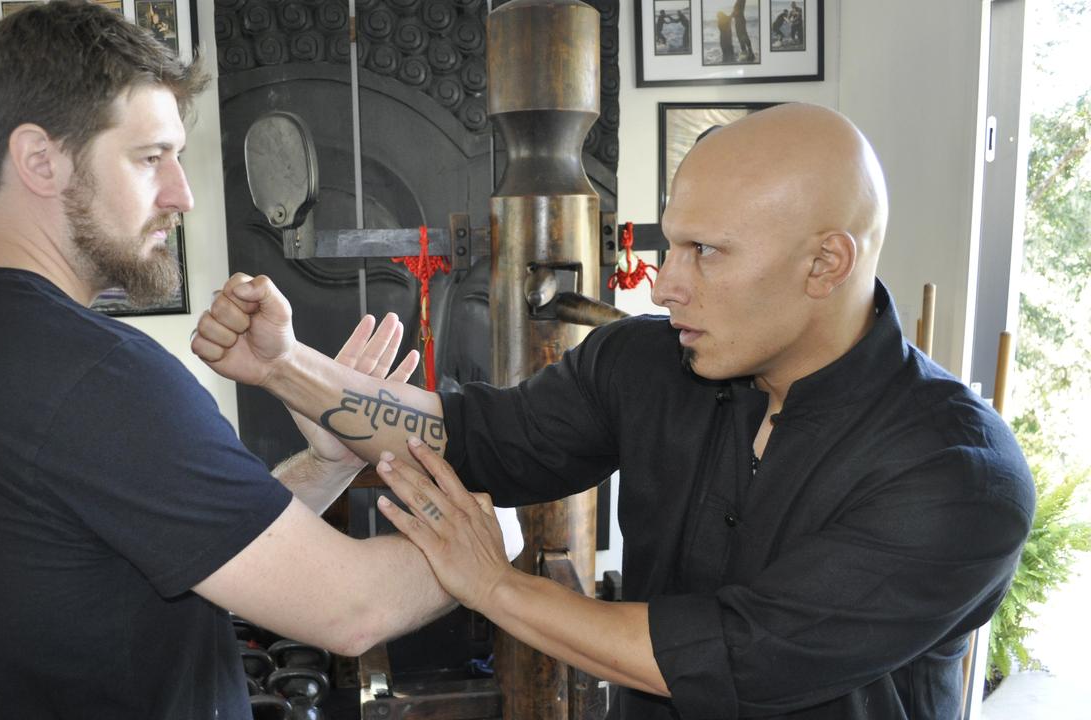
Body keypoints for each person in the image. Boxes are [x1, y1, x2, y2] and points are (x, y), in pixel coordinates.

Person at [192, 103, 1035, 719]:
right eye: (674, 243)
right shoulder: (649, 362)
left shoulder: (959, 477)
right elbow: (475, 435)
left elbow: (739, 657)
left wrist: (494, 587)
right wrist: (285, 366)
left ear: (826, 264)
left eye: (706, 253)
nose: (667, 286)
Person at [0, 2, 456, 718]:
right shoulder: (94, 375)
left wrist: (328, 462)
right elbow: (353, 608)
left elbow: (188, 541)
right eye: (150, 157)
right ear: (40, 160)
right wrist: (498, 529)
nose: (181, 194)